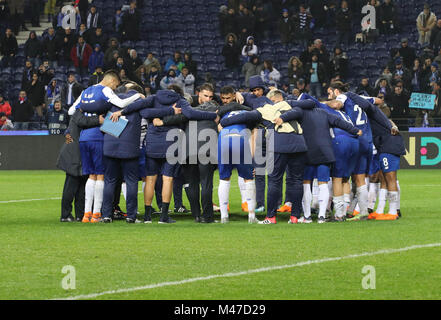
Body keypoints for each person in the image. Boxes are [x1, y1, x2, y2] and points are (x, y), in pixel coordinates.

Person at [69, 71, 142, 223]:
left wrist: (87, 112)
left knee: (90, 176)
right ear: (111, 81)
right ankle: (97, 214)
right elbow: (121, 104)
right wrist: (138, 97)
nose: (115, 88)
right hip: (98, 137)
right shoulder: (105, 90)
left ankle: (86, 214)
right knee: (101, 175)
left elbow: (71, 111)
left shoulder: (86, 91)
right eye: (115, 85)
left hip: (84, 138)